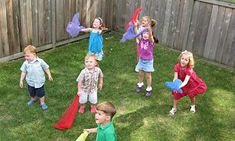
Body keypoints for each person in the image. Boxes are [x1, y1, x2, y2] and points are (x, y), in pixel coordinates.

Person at [169, 50, 207, 115]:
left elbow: (186, 81)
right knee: (176, 94)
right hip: (181, 82)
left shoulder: (189, 70)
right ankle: (174, 108)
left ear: (189, 62)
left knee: (191, 95)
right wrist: (174, 85)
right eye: (182, 58)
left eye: (186, 60)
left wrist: (179, 86)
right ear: (180, 58)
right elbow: (175, 78)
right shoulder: (177, 66)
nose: (183, 61)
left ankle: (193, 105)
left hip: (190, 83)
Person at [19, 45, 53, 110]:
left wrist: (49, 75)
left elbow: (46, 68)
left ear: (34, 54)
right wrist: (21, 80)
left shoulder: (40, 61)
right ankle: (33, 99)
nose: (26, 57)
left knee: (41, 93)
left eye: (27, 56)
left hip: (39, 82)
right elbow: (23, 72)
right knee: (31, 92)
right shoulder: (26, 63)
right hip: (30, 82)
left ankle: (42, 103)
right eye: (25, 56)